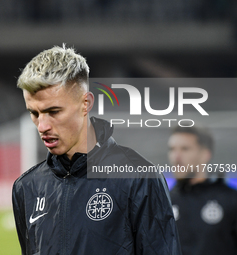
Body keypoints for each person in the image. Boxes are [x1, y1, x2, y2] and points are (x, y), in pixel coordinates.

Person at [12, 44, 181, 255]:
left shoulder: (139, 178)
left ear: (86, 103)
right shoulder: (26, 187)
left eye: (53, 111)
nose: (42, 126)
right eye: (34, 113)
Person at [168, 125, 237, 255]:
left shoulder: (231, 201)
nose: (176, 157)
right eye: (172, 149)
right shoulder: (164, 203)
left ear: (205, 154)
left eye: (185, 149)